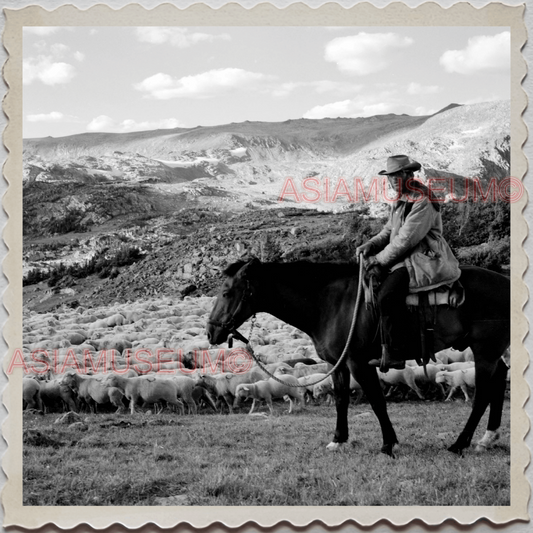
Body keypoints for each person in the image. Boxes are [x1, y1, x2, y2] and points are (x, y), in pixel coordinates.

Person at [356, 155, 461, 372]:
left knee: (387, 296)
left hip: (422, 259)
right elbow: (390, 230)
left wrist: (378, 260)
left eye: (396, 176)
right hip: (406, 258)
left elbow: (406, 239)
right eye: (390, 177)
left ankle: (396, 353)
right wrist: (371, 244)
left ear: (409, 174)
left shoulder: (422, 199)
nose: (392, 181)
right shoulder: (402, 197)